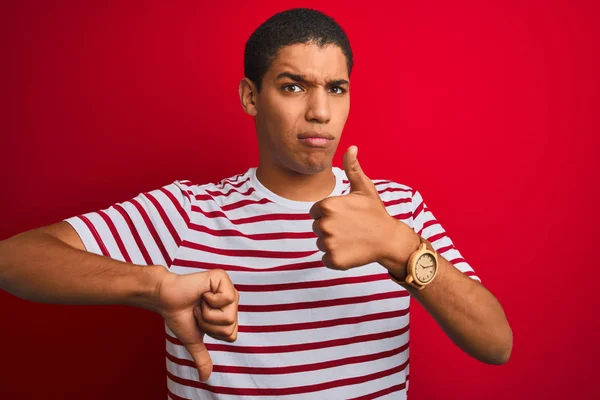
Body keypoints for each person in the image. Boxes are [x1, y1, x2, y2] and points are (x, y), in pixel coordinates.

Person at [0, 7, 512, 400]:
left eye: (336, 89)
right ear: (251, 97)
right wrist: (153, 287)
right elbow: (13, 260)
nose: (319, 111)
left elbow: (496, 344)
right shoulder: (188, 212)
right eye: (293, 86)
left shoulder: (398, 209)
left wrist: (398, 247)